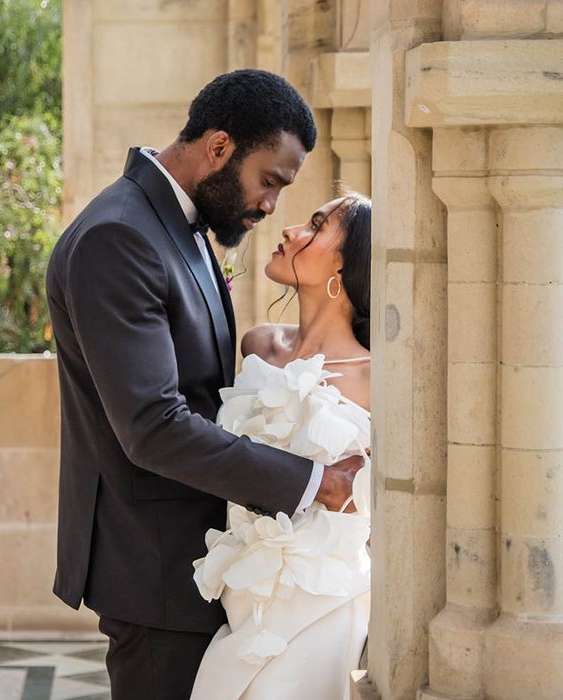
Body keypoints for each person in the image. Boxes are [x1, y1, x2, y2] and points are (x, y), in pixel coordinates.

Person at [44, 69, 364, 700]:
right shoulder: (120, 236)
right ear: (220, 148)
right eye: (269, 180)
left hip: (206, 568)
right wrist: (314, 482)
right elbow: (153, 427)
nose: (272, 205)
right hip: (157, 570)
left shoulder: (173, 225)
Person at [191, 192, 372, 700]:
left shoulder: (377, 376)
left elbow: (382, 506)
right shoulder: (256, 344)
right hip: (242, 591)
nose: (290, 230)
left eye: (316, 226)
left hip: (325, 601)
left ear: (344, 265)